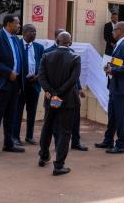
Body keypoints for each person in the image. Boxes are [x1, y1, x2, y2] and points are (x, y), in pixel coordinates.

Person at [38, 32, 81, 176]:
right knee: (65, 131)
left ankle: (43, 156)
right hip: (67, 101)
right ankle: (59, 165)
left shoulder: (46, 56)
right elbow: (73, 80)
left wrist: (51, 92)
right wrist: (59, 93)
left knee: (47, 127)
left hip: (51, 99)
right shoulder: (75, 57)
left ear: (56, 41)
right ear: (70, 43)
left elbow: (41, 77)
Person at [0, 15, 25, 156]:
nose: (19, 25)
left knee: (11, 115)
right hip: (1, 82)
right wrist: (8, 72)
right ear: (8, 24)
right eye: (17, 23)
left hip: (15, 83)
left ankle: (8, 144)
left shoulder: (17, 40)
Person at [95, 21, 124, 154]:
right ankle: (108, 140)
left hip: (122, 88)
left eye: (114, 30)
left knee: (120, 116)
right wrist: (110, 67)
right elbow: (121, 62)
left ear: (120, 31)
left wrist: (113, 71)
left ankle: (121, 144)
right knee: (112, 115)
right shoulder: (119, 45)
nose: (112, 33)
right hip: (115, 86)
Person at [44, 29, 88, 151]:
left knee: (74, 119)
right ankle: (59, 144)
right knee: (57, 120)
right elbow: (44, 75)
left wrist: (79, 89)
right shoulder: (47, 53)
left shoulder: (72, 53)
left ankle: (75, 142)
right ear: (57, 38)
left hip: (67, 95)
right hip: (58, 96)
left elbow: (74, 77)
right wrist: (53, 92)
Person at [12, 24, 44, 146]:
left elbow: (42, 65)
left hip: (34, 84)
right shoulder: (17, 45)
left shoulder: (39, 47)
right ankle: (15, 137)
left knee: (32, 112)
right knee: (18, 112)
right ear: (24, 33)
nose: (34, 34)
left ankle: (29, 136)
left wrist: (37, 77)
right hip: (20, 85)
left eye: (35, 32)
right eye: (32, 31)